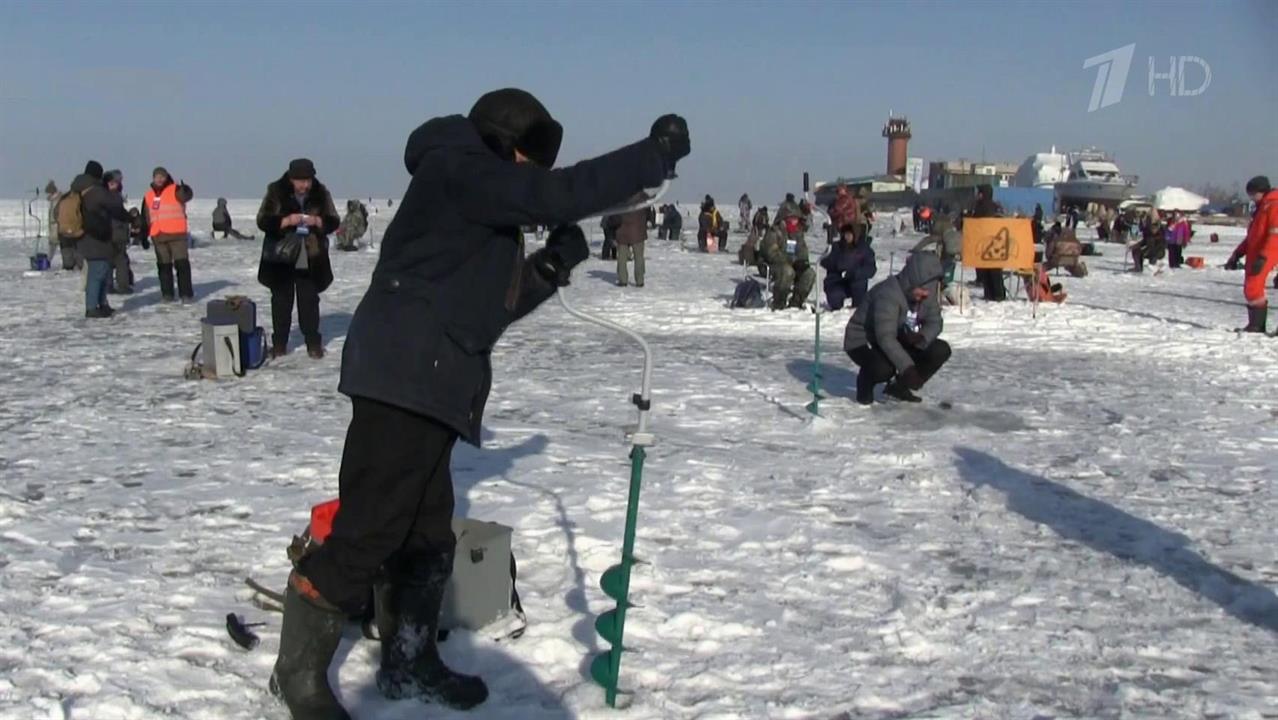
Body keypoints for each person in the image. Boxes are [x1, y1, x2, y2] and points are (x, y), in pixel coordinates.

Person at [267, 89, 689, 720]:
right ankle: (296, 677)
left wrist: (549, 266)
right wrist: (648, 159)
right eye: (527, 162)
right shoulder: (456, 167)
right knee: (370, 527)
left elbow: (494, 309)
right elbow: (556, 195)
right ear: (503, 142)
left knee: (427, 530)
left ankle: (409, 662)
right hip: (401, 376)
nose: (528, 178)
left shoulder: (478, 206)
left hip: (435, 383)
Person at [255, 159, 340, 359]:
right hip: (281, 254)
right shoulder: (276, 191)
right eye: (300, 181)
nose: (305, 185)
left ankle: (313, 343)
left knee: (309, 300)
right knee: (281, 300)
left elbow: (333, 220)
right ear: (291, 179)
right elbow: (263, 220)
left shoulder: (321, 193)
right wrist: (285, 221)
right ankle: (279, 344)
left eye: (308, 180)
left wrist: (318, 221)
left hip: (309, 254)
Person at [843, 251, 950, 405]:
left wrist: (921, 338)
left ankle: (898, 388)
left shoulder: (927, 293)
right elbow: (885, 337)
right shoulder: (888, 294)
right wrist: (908, 368)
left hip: (898, 335)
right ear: (913, 282)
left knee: (940, 349)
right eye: (920, 293)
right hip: (863, 340)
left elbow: (935, 321)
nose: (924, 297)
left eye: (927, 294)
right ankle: (864, 385)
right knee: (884, 369)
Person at [71, 161, 131, 318]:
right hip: (96, 237)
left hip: (90, 236)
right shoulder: (94, 190)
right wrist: (114, 191)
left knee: (102, 271)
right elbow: (114, 203)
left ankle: (101, 303)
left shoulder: (80, 188)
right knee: (97, 273)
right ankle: (92, 307)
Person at [1225, 176, 1278, 333]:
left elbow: (1275, 235)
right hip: (1256, 252)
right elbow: (1252, 237)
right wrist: (1237, 254)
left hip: (1268, 251)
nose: (1252, 198)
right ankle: (1256, 324)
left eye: (1253, 194)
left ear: (1261, 191)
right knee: (1251, 287)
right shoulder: (1261, 208)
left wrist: (1264, 256)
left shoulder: (1274, 206)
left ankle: (1257, 325)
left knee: (1253, 285)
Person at [143, 167, 194, 302]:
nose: (159, 179)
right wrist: (145, 233)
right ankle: (167, 294)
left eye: (162, 176)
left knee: (181, 265)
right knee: (164, 267)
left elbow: (186, 196)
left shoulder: (175, 189)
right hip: (158, 235)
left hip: (176, 235)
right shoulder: (148, 195)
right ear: (153, 178)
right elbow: (146, 216)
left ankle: (186, 294)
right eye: (157, 176)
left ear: (166, 177)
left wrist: (185, 189)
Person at [760, 209, 816, 310]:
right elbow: (771, 254)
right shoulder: (774, 232)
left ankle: (796, 303)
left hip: (792, 266)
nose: (795, 221)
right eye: (792, 219)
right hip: (772, 266)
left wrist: (802, 262)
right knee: (787, 271)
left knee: (809, 273)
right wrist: (790, 261)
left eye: (796, 219)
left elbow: (802, 250)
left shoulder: (797, 234)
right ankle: (778, 302)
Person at [821, 223, 876, 310]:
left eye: (850, 234)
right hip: (837, 281)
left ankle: (857, 308)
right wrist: (837, 266)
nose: (847, 237)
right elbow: (823, 260)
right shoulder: (836, 246)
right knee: (835, 300)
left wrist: (856, 273)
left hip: (856, 281)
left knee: (860, 284)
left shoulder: (864, 249)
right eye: (845, 234)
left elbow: (871, 268)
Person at [971, 185, 1006, 301]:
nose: (977, 195)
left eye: (979, 193)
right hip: (996, 243)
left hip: (988, 241)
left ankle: (995, 294)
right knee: (992, 270)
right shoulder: (996, 206)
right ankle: (994, 294)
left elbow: (978, 222)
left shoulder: (984, 207)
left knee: (992, 270)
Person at [103, 170, 134, 294]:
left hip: (110, 232)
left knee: (110, 260)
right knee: (120, 260)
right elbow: (119, 213)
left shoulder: (104, 195)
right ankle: (122, 285)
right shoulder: (115, 197)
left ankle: (110, 285)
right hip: (116, 232)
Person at [616, 194, 647, 287]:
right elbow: (648, 211)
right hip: (638, 231)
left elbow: (614, 215)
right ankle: (640, 280)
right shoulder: (642, 196)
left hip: (622, 232)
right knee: (639, 258)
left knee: (622, 258)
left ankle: (623, 280)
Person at [44, 181, 60, 264]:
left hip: (56, 225)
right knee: (53, 244)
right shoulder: (54, 200)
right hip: (54, 225)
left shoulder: (57, 200)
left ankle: (48, 260)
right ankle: (48, 260)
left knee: (53, 244)